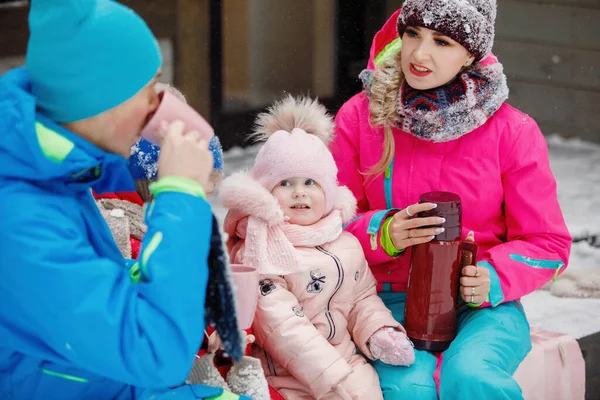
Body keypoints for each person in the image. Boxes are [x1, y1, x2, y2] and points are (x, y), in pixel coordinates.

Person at [0, 0, 246, 399]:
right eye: (149, 89)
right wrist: (180, 195)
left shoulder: (56, 174)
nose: (158, 105)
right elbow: (155, 351)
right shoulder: (18, 221)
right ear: (98, 98)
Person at [331, 1, 572, 399]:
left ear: (470, 55)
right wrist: (383, 231)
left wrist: (493, 278)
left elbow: (549, 244)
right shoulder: (361, 117)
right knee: (404, 386)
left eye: (442, 42)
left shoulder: (513, 132)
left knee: (473, 376)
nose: (419, 54)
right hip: (383, 300)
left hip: (483, 307)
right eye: (412, 34)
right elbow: (323, 225)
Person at [220, 96, 415, 400]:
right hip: (285, 375)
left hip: (349, 363)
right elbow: (281, 326)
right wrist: (334, 377)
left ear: (329, 189)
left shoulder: (346, 243)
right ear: (266, 193)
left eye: (311, 182)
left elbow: (361, 299)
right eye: (285, 184)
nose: (299, 192)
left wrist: (378, 332)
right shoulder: (261, 246)